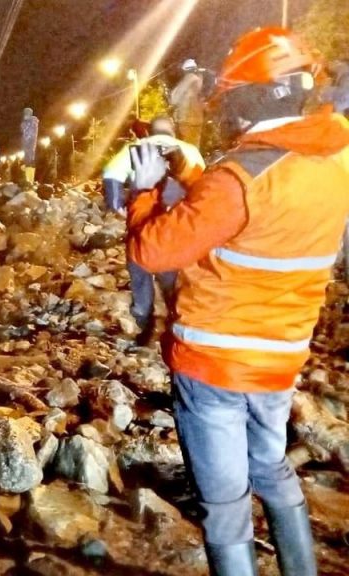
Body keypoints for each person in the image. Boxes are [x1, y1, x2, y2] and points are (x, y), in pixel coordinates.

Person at [126, 28, 349, 576]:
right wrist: (193, 172)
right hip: (280, 360)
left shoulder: (238, 178)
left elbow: (154, 251)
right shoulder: (337, 155)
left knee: (225, 506)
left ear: (247, 98)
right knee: (271, 466)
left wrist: (146, 191)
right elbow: (259, 211)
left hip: (213, 364)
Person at [102, 116, 205, 340]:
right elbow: (202, 184)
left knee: (139, 267)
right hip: (174, 222)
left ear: (150, 130)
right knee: (174, 273)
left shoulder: (135, 147)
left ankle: (143, 318)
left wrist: (117, 204)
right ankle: (177, 319)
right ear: (173, 130)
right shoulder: (188, 150)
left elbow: (111, 173)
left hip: (142, 216)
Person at [170, 59, 207, 148]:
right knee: (193, 148)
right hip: (197, 121)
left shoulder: (189, 79)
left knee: (185, 148)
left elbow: (174, 98)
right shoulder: (199, 80)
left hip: (186, 119)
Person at [20, 108, 39, 185]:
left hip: (30, 145)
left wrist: (26, 123)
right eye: (25, 113)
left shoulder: (33, 122)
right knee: (27, 162)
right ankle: (28, 180)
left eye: (27, 114)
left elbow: (30, 134)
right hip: (26, 145)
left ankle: (29, 181)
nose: (25, 115)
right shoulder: (25, 123)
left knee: (30, 161)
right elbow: (23, 132)